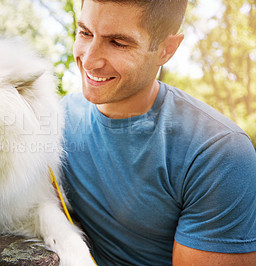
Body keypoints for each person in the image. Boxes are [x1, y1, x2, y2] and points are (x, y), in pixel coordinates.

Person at [60, 0, 256, 265]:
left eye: (118, 42)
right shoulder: (60, 119)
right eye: (85, 33)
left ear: (167, 49)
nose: (90, 60)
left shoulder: (218, 153)